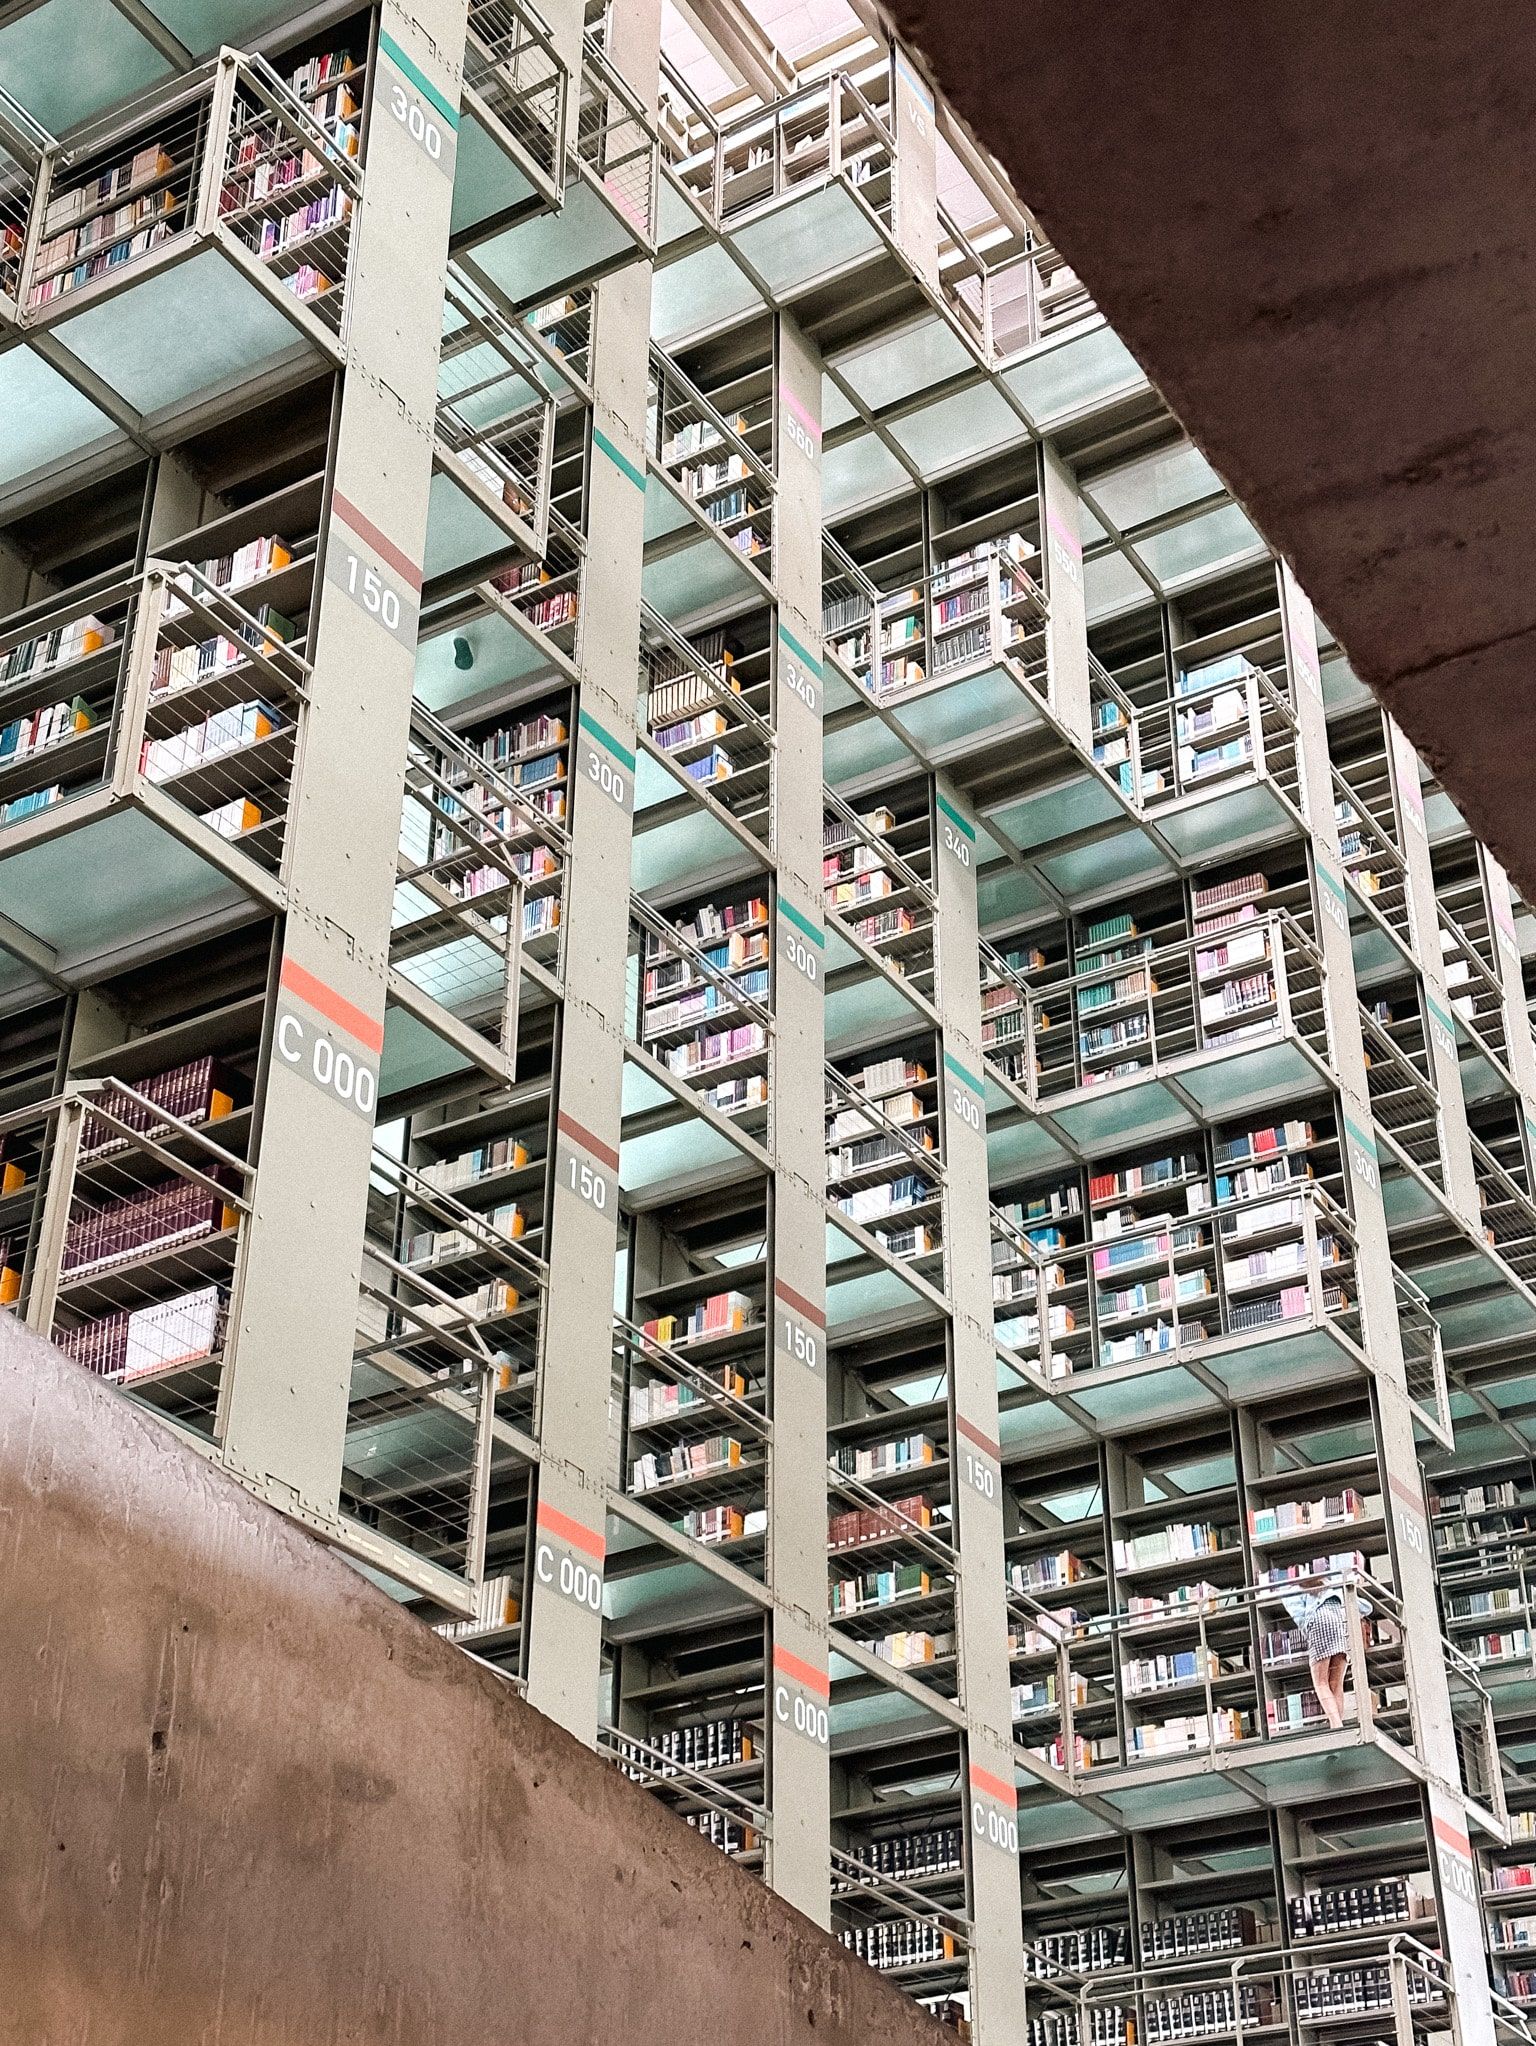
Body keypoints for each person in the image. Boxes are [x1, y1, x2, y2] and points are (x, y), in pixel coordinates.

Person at [1280, 1572, 1372, 1730]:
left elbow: (1299, 1616)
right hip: (1341, 1624)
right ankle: (1339, 1726)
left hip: (1320, 1621)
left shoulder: (1290, 1590)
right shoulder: (1331, 1584)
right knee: (1336, 1684)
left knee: (1321, 1682)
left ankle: (1335, 1725)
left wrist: (1308, 1630)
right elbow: (1366, 1607)